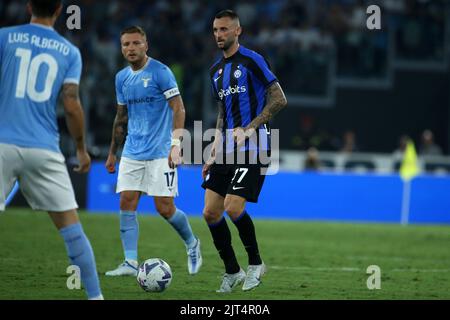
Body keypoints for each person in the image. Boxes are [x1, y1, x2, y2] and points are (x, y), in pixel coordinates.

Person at [0, 0, 103, 300]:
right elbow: (71, 104)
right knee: (72, 231)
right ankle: (96, 298)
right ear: (59, 10)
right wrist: (82, 148)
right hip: (44, 148)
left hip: (2, 143)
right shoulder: (69, 51)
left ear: (29, 6)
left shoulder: (4, 36)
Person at [105, 26, 202, 276]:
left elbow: (179, 108)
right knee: (127, 201)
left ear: (145, 45)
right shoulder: (121, 78)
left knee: (164, 208)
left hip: (160, 152)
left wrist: (176, 145)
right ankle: (130, 262)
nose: (131, 48)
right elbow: (121, 117)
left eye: (136, 43)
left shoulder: (160, 72)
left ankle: (192, 243)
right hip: (131, 151)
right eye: (126, 44)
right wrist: (112, 152)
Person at [202, 10, 288, 292]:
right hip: (226, 147)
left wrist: (249, 128)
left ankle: (255, 263)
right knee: (210, 213)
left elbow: (279, 99)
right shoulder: (215, 71)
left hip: (255, 145)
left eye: (224, 29)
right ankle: (232, 271)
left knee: (232, 206)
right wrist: (214, 147)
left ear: (238, 31)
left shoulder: (253, 60)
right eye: (215, 30)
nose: (219, 34)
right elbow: (222, 113)